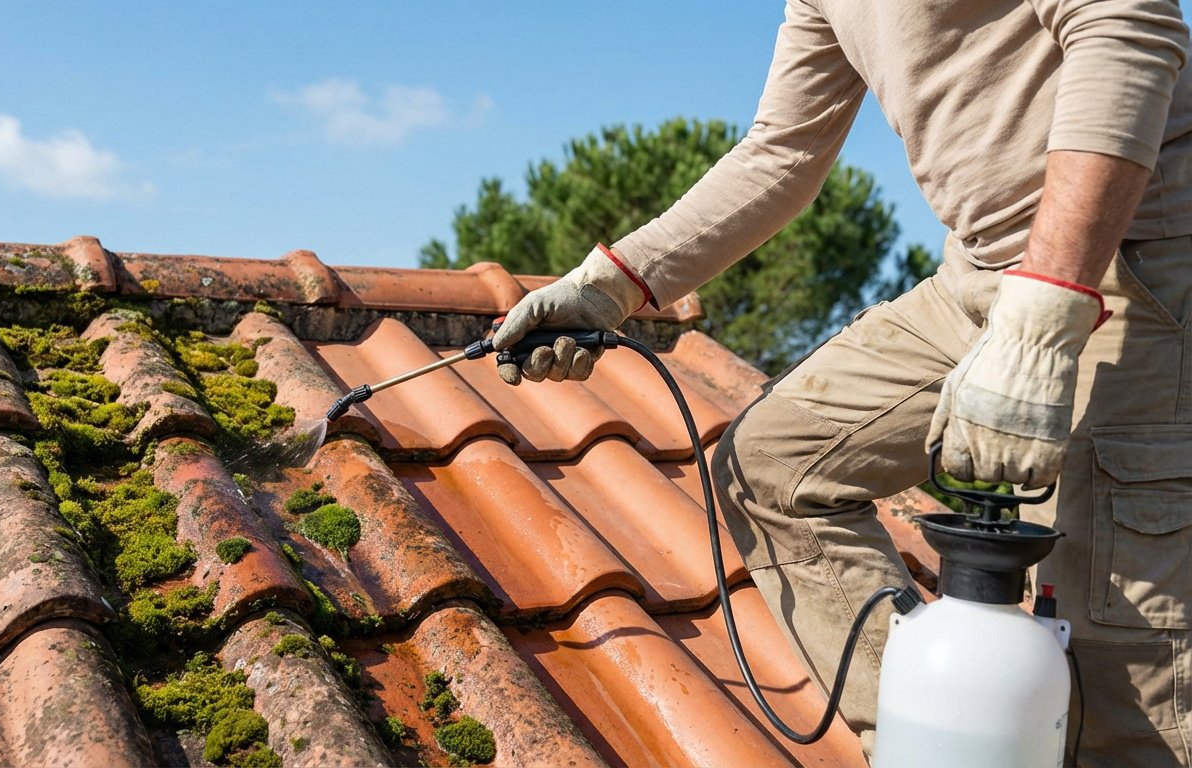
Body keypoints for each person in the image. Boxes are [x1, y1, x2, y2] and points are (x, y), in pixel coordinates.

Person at [491, 2, 1192, 765]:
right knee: (775, 466)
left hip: (1138, 265)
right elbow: (782, 152)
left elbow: (1129, 28)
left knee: (1118, 678)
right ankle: (936, 743)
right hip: (978, 276)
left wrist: (1043, 319)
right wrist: (609, 288)